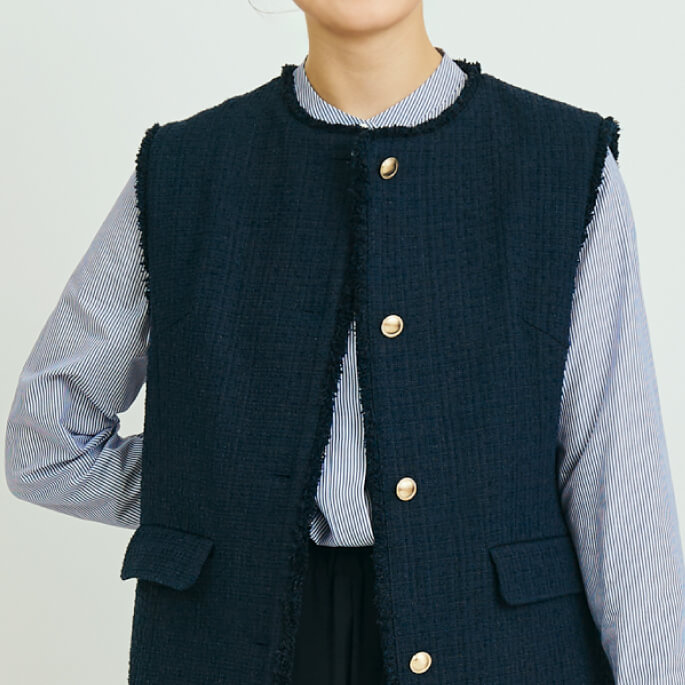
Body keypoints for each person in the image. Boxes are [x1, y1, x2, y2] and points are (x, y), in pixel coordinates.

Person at [5, 1, 685, 683]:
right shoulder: (186, 169)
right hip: (237, 641)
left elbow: (620, 491)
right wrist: (234, 497)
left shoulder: (562, 163)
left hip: (502, 649)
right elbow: (45, 444)